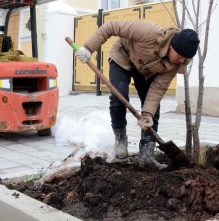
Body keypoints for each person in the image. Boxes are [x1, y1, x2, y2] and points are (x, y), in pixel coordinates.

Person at [76, 20, 200, 169]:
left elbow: (158, 89)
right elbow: (112, 26)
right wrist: (89, 48)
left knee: (153, 110)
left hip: (145, 70)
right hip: (123, 57)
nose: (182, 61)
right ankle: (120, 139)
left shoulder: (175, 64)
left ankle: (146, 155)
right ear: (172, 45)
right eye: (180, 56)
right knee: (118, 97)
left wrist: (147, 114)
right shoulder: (148, 32)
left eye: (186, 59)